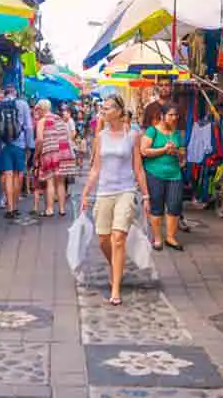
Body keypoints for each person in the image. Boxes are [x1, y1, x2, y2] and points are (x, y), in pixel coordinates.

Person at [81, 94, 150, 306]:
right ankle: (115, 265)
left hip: (126, 191)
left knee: (118, 238)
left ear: (119, 112)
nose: (103, 111)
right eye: (103, 108)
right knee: (103, 239)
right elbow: (95, 168)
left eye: (108, 108)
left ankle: (116, 288)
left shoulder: (133, 135)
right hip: (103, 192)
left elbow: (138, 168)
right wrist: (85, 193)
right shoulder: (100, 137)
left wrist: (146, 195)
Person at [142, 77, 192, 233]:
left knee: (175, 198)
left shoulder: (178, 108)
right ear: (157, 88)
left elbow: (182, 131)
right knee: (156, 197)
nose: (164, 88)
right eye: (161, 85)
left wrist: (181, 149)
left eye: (167, 85)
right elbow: (145, 131)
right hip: (154, 154)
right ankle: (156, 228)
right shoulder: (150, 108)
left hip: (173, 158)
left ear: (171, 87)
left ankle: (176, 221)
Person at [141, 103, 185, 251]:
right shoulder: (152, 131)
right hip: (154, 173)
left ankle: (171, 237)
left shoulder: (177, 134)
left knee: (175, 205)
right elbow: (144, 151)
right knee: (157, 206)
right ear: (162, 116)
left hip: (174, 174)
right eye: (170, 115)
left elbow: (184, 156)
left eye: (176, 115)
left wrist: (177, 153)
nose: (174, 118)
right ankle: (158, 238)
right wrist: (164, 150)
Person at [0, 81, 34, 219]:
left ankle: (9, 207)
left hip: (3, 145)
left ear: (4, 93)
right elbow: (29, 127)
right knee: (18, 175)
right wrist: (30, 145)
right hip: (19, 145)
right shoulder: (23, 105)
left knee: (7, 174)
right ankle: (15, 206)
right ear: (15, 92)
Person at [34, 100, 76, 216]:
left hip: (50, 152)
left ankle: (50, 209)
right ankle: (62, 209)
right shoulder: (58, 119)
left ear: (42, 109)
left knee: (50, 182)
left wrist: (36, 154)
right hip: (63, 152)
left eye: (38, 109)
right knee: (61, 182)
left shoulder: (42, 121)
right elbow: (66, 136)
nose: (37, 112)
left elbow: (40, 140)